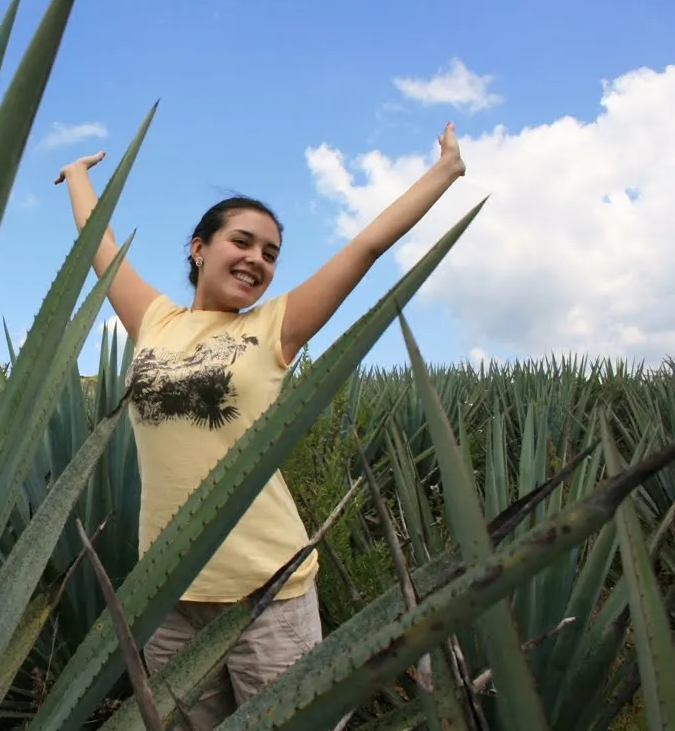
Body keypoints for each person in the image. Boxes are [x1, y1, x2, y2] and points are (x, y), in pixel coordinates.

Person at [55, 123, 466, 729]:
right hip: (169, 593)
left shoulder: (275, 326)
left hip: (268, 592)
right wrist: (79, 177)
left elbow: (366, 248)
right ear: (199, 247)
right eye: (242, 242)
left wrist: (445, 171)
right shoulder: (154, 320)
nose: (257, 260)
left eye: (270, 253)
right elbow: (100, 248)